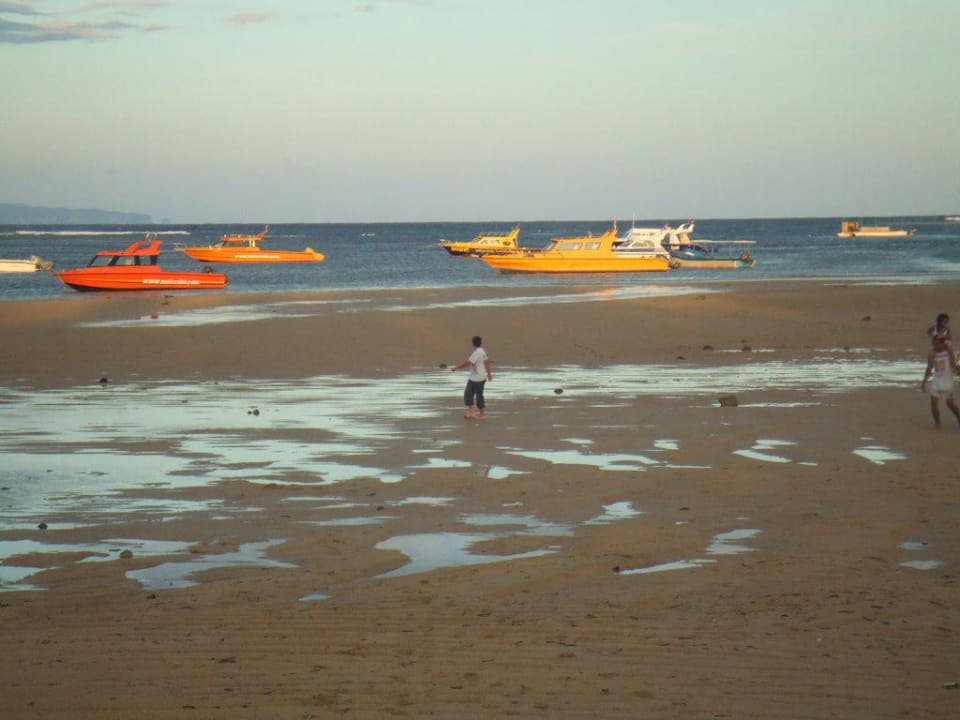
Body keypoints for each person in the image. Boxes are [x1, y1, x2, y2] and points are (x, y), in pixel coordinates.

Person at [920, 332, 960, 429]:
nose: (934, 345)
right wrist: (924, 381)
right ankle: (937, 423)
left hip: (947, 381)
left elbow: (954, 365)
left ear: (942, 343)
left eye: (937, 342)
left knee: (951, 405)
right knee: (934, 403)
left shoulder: (949, 351)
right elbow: (929, 368)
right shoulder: (932, 352)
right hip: (937, 381)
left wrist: (957, 370)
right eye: (934, 342)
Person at [452, 335, 492, 419]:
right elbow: (487, 362)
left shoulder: (476, 353)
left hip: (476, 378)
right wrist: (489, 374)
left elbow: (468, 362)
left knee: (469, 395)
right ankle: (475, 413)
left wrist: (456, 368)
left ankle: (476, 413)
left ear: (473, 344)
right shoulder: (482, 351)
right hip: (480, 377)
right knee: (477, 395)